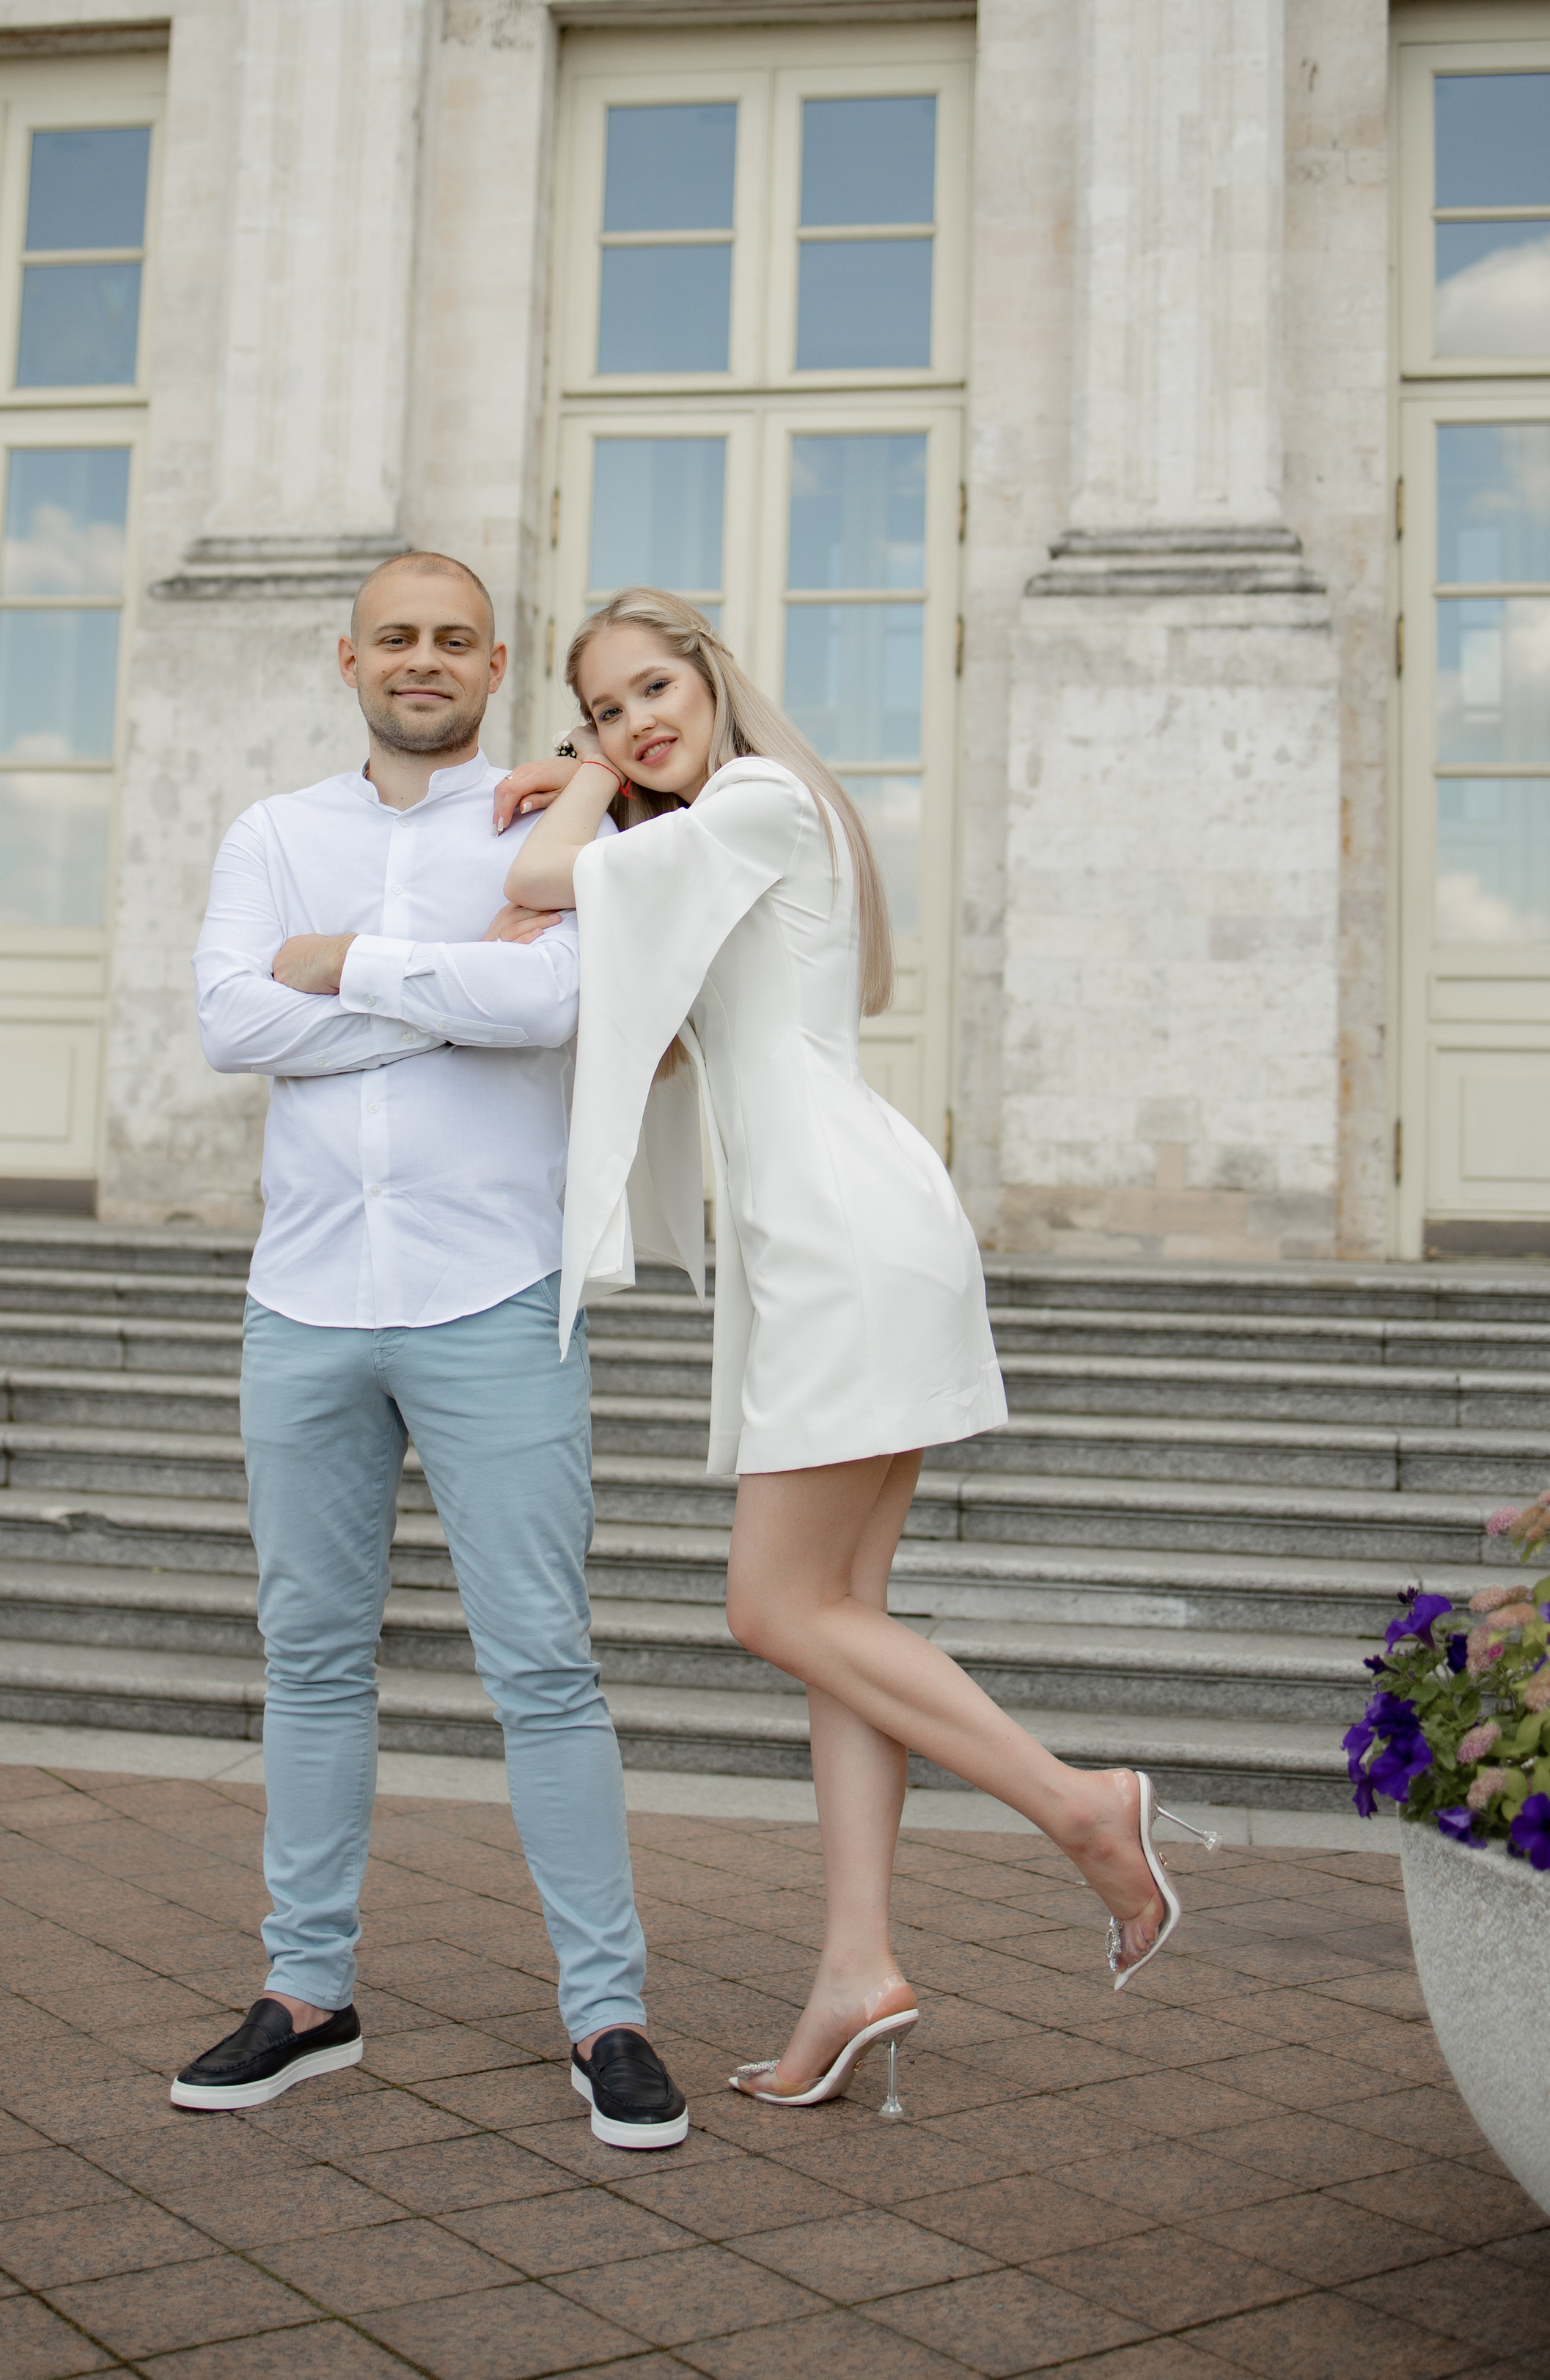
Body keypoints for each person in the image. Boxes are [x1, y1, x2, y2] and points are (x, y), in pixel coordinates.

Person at [498, 586, 1217, 2107]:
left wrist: (569, 787)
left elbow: (546, 876)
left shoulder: (754, 797)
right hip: (824, 1233)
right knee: (843, 1631)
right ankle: (853, 1969)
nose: (635, 725)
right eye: (606, 711)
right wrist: (609, 805)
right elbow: (648, 1009)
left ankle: (1081, 1804)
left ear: (708, 679)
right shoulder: (726, 838)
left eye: (645, 692)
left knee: (770, 1606)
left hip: (838, 1235)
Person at [169, 552, 687, 2150]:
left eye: (453, 640)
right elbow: (228, 1022)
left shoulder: (550, 827)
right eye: (395, 637)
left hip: (492, 1296)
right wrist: (452, 997)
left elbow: (552, 1009)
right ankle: (308, 1992)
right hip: (304, 1301)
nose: (422, 659)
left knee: (543, 1666)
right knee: (310, 1661)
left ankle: (605, 2012)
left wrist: (347, 971)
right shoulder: (273, 835)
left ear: (494, 662)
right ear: (347, 657)